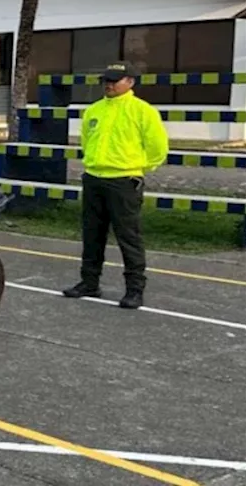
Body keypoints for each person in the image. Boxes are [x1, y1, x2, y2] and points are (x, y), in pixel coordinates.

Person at [62, 62, 168, 309]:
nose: (108, 85)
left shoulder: (143, 111)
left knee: (128, 237)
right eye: (106, 80)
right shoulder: (95, 110)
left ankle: (134, 289)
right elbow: (87, 141)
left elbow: (157, 148)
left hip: (124, 181)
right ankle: (89, 282)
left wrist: (136, 167)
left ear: (130, 82)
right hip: (94, 178)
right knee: (92, 234)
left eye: (114, 80)